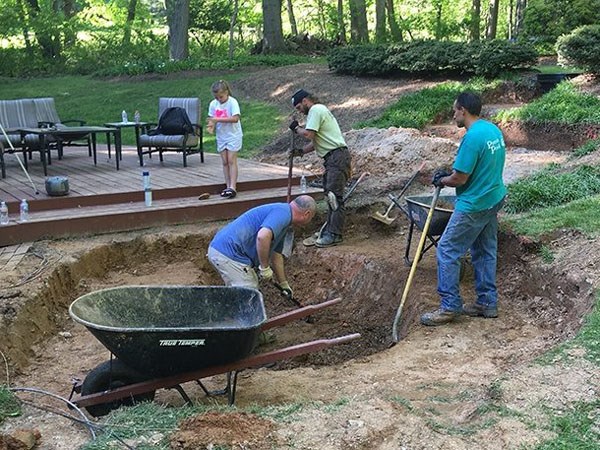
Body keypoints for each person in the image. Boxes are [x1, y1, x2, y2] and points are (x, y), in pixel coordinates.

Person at [420, 91, 507, 326]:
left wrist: (442, 180)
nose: (453, 114)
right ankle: (487, 302)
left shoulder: (472, 138)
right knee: (484, 249)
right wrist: (451, 172)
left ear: (463, 111)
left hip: (475, 204)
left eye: (455, 110)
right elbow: (481, 164)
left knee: (447, 250)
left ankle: (450, 306)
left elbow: (460, 179)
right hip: (493, 197)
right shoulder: (492, 130)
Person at [207, 195, 317, 296]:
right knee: (249, 292)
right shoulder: (283, 213)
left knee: (240, 293)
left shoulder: (284, 219)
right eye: (311, 217)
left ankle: (230, 314)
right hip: (228, 254)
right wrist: (264, 267)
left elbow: (276, 255)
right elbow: (262, 236)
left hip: (224, 251)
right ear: (306, 214)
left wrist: (283, 283)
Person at [289, 89, 352, 248]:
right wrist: (301, 152)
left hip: (337, 157)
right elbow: (316, 141)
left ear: (305, 101)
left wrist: (296, 128)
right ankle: (329, 229)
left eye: (298, 107)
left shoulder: (316, 109)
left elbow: (309, 134)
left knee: (334, 197)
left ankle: (334, 234)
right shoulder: (318, 111)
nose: (300, 111)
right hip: (334, 158)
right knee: (330, 196)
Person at [207, 80, 243, 199]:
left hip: (233, 135)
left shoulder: (232, 102)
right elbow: (211, 118)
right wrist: (211, 126)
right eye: (216, 97)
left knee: (231, 160)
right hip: (221, 136)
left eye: (221, 97)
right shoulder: (213, 104)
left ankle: (233, 187)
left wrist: (217, 120)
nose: (219, 99)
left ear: (226, 92)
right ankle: (227, 186)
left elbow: (235, 118)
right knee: (225, 162)